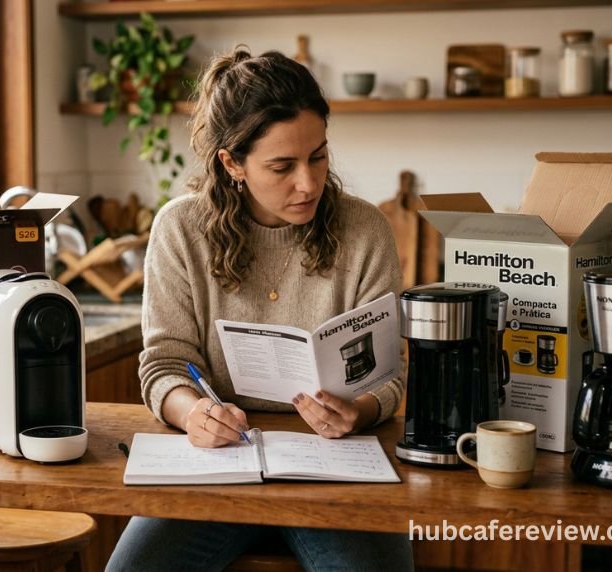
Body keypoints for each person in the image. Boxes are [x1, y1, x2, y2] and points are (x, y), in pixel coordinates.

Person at [106, 47, 413, 572]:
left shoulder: (365, 231)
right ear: (232, 164)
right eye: (282, 166)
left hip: (335, 468)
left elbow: (389, 374)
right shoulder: (181, 229)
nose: (308, 182)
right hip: (217, 463)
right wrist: (192, 412)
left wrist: (358, 410)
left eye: (317, 156)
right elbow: (164, 362)